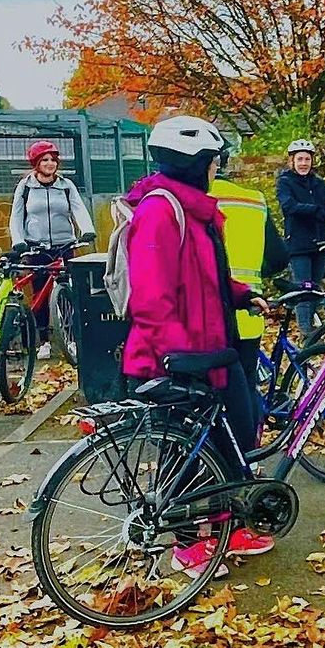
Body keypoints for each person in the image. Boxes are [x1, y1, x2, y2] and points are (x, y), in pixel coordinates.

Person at [121, 115, 275, 576]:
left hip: (215, 350)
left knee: (239, 435)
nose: (216, 170)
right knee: (187, 454)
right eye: (212, 162)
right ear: (193, 164)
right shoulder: (160, 211)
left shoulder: (196, 211)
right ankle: (189, 545)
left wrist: (242, 294)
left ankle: (231, 524)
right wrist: (178, 358)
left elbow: (205, 280)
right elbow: (150, 297)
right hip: (178, 357)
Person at [211, 145, 289, 414]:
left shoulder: (190, 200)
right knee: (244, 394)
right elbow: (279, 257)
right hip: (249, 313)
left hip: (209, 319)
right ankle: (247, 453)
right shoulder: (253, 200)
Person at [9, 140, 96, 360]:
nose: (50, 164)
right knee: (40, 291)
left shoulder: (66, 185)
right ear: (36, 164)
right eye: (44, 160)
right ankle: (44, 342)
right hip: (36, 247)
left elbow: (78, 208)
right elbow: (17, 216)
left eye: (53, 160)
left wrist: (87, 230)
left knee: (70, 290)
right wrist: (19, 241)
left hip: (64, 245)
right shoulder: (26, 187)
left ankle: (74, 337)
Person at [275, 140, 325, 332]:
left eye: (307, 159)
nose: (304, 163)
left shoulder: (320, 184)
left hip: (320, 243)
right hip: (299, 244)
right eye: (300, 159)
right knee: (303, 289)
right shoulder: (285, 182)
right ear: (292, 161)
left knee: (315, 289)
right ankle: (306, 331)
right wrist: (317, 211)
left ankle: (313, 329)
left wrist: (321, 213)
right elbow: (289, 207)